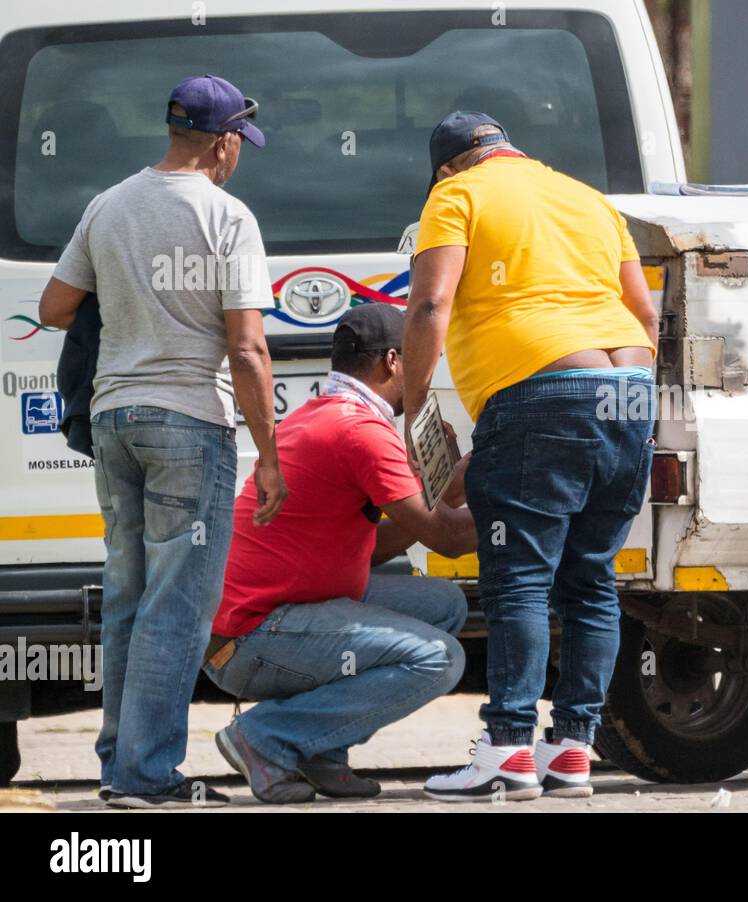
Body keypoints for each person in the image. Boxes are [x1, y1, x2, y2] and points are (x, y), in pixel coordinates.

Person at [37, 75, 286, 810]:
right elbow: (247, 350)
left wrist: (131, 302)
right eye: (239, 140)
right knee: (177, 607)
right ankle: (147, 776)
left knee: (129, 598)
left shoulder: (108, 204)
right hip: (187, 421)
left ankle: (121, 765)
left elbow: (55, 308)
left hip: (114, 419)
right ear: (222, 142)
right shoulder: (228, 217)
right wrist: (269, 455)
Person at [405, 111, 659, 801]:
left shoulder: (454, 196)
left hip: (541, 386)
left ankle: (508, 748)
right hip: (631, 389)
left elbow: (430, 304)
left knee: (517, 579)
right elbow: (645, 315)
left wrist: (412, 402)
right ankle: (572, 750)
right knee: (592, 580)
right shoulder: (589, 200)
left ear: (447, 166)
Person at [205, 303, 475, 804]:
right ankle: (267, 737)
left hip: (265, 619)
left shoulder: (323, 415)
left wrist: (444, 495)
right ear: (393, 361)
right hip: (250, 639)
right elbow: (450, 540)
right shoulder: (361, 433)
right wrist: (523, 502)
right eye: (422, 360)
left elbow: (365, 552)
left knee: (445, 605)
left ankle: (321, 751)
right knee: (438, 660)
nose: (427, 374)